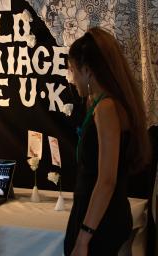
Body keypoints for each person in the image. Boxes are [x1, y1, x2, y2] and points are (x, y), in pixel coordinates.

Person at [64, 27, 151, 255]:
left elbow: (106, 180)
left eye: (73, 70)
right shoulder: (101, 104)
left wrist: (83, 238)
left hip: (99, 225)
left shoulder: (106, 108)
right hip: (100, 218)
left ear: (88, 71)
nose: (72, 79)